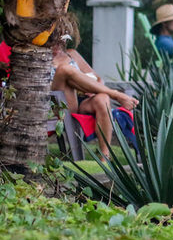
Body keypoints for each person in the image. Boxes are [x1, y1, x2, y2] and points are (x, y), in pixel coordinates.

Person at [49, 14, 139, 159]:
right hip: (58, 103)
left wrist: (93, 88)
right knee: (65, 70)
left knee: (102, 98)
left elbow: (97, 78)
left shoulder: (72, 55)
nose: (58, 46)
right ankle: (115, 94)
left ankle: (105, 157)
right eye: (53, 42)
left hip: (81, 99)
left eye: (62, 42)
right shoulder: (39, 58)